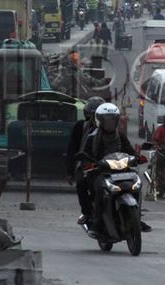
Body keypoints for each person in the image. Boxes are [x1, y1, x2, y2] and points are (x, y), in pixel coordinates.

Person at [82, 103, 138, 236]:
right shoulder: (92, 137)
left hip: (121, 171)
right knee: (101, 190)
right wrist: (91, 163)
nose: (109, 124)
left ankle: (137, 217)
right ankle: (96, 222)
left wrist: (136, 158)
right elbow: (85, 154)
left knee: (136, 183)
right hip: (101, 172)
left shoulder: (121, 136)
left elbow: (130, 151)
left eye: (112, 120)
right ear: (99, 121)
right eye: (106, 120)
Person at [66, 97, 105, 226]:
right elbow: (72, 149)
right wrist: (70, 171)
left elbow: (124, 146)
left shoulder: (112, 129)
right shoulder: (80, 127)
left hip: (110, 164)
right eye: (92, 116)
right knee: (82, 183)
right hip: (89, 165)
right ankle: (88, 213)